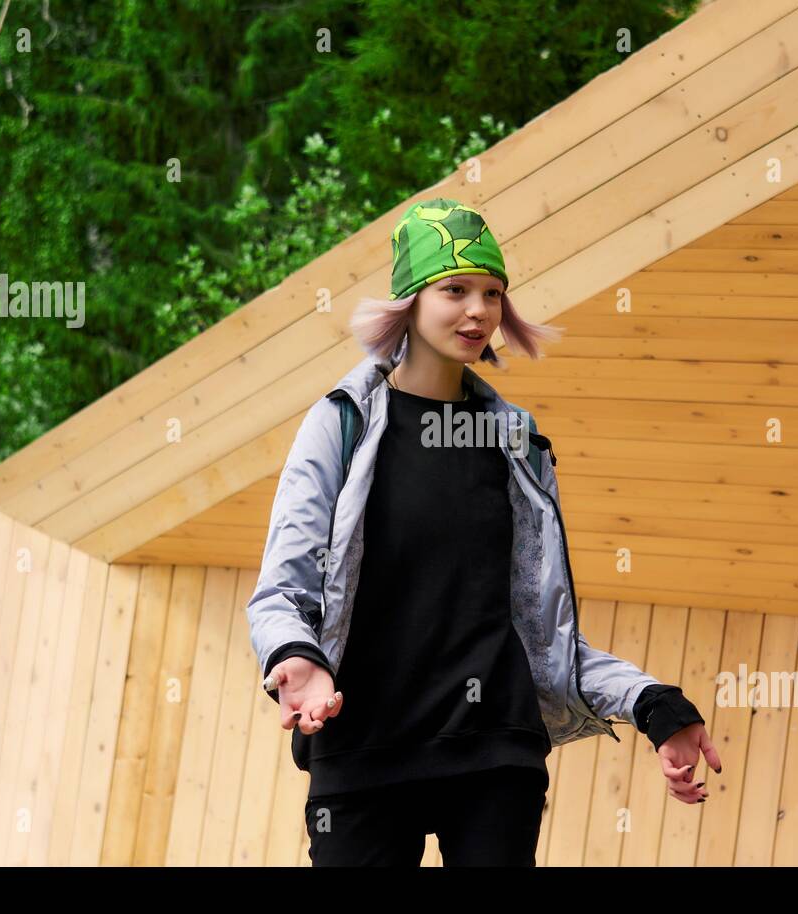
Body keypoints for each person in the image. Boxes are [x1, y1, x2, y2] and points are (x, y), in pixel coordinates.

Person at [248, 198, 721, 867]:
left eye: (493, 293)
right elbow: (281, 593)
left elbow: (538, 628)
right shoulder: (340, 425)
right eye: (456, 289)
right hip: (362, 753)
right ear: (409, 299)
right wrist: (296, 658)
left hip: (495, 755)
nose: (479, 311)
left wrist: (653, 704)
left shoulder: (516, 443)